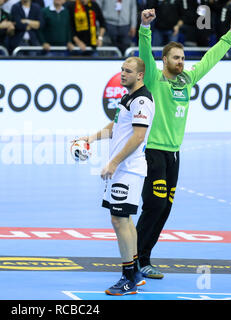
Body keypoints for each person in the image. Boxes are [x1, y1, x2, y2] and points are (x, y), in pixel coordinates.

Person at [136, 8, 231, 279]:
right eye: (176, 58)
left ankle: (143, 256)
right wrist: (145, 29)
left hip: (174, 155)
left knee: (166, 208)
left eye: (183, 58)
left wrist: (229, 35)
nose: (181, 62)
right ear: (165, 60)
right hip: (155, 152)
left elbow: (209, 60)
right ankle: (136, 258)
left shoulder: (187, 80)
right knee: (154, 205)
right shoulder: (154, 79)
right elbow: (144, 56)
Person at [75, 57, 155, 295]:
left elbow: (138, 137)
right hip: (122, 169)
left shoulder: (142, 100)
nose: (122, 74)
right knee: (123, 220)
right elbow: (116, 126)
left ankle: (128, 277)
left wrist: (113, 162)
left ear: (140, 75)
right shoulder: (126, 98)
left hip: (128, 169)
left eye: (128, 71)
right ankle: (135, 272)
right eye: (121, 69)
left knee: (120, 221)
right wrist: (91, 138)